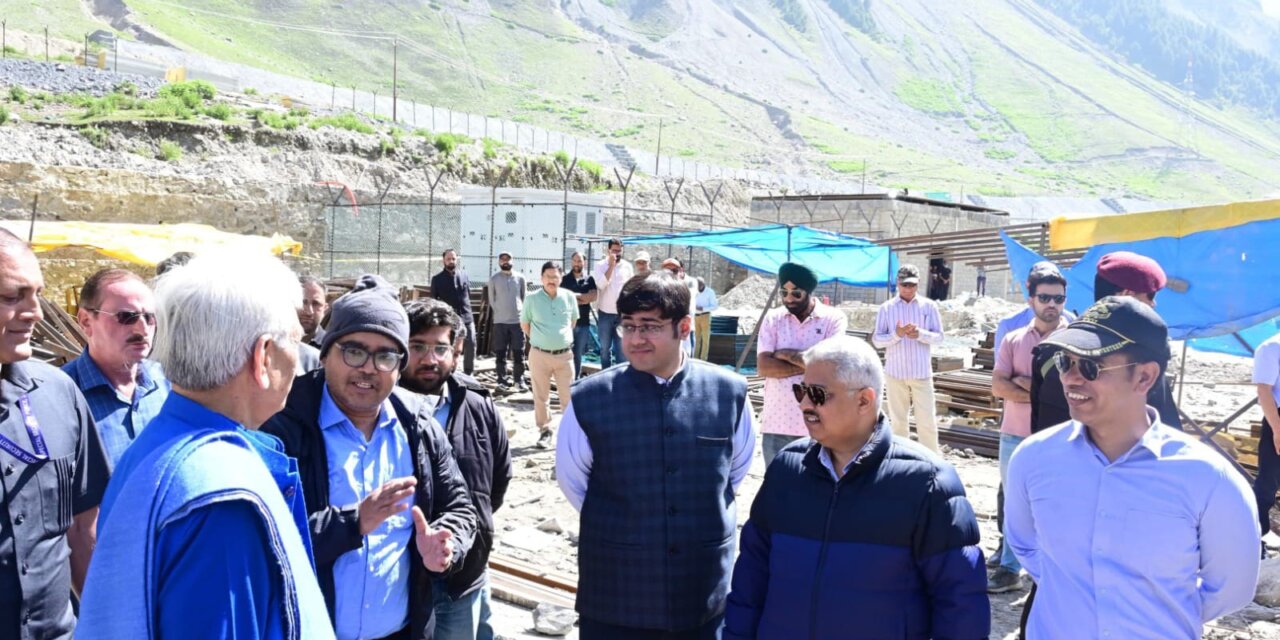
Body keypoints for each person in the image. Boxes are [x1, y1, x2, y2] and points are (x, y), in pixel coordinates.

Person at [77, 252, 332, 639]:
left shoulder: (161, 443)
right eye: (295, 342)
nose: (297, 363)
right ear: (262, 357)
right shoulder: (223, 500)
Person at [1006, 296, 1260, 639]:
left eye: (1091, 367)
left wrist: (1155, 613)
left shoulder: (1209, 479)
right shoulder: (1033, 459)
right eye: (1066, 362)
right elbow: (1025, 545)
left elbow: (1231, 588)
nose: (1071, 379)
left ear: (1144, 377)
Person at [724, 335, 989, 639]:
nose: (805, 404)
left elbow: (960, 605)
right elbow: (750, 582)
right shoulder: (787, 470)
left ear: (865, 399)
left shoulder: (927, 483)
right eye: (801, 391)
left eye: (818, 394)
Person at [263, 275, 478, 640]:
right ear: (326, 352)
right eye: (354, 351)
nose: (368, 368)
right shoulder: (282, 426)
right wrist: (353, 523)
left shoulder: (418, 426)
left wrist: (447, 543)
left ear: (399, 366)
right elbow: (262, 537)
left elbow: (460, 505)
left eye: (385, 356)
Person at [557, 273, 754, 639]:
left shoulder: (729, 393)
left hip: (701, 586)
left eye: (649, 326)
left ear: (684, 326)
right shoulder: (589, 399)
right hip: (617, 590)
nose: (635, 339)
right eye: (627, 326)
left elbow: (733, 473)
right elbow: (574, 482)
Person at [0, 231, 109, 640]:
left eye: (38, 295)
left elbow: (83, 530)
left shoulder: (59, 393)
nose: (36, 313)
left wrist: (105, 623)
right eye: (14, 296)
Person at [401, 299, 512, 640]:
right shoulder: (378, 410)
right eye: (418, 346)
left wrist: (460, 535)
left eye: (440, 348)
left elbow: (496, 483)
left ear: (457, 348)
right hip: (403, 582)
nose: (430, 358)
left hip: (466, 575)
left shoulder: (477, 405)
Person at [1030, 251, 1182, 434]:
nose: (1071, 377)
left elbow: (1039, 428)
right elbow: (1165, 431)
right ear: (1127, 296)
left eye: (1090, 368)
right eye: (1150, 296)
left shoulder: (1052, 350)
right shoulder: (1139, 358)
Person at [986, 263, 1069, 594]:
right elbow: (997, 387)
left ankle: (1053, 569)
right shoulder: (1013, 339)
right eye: (1045, 297)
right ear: (1030, 298)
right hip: (1014, 435)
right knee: (1016, 504)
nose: (1052, 305)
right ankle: (1009, 567)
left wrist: (1023, 384)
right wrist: (1041, 391)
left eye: (1059, 298)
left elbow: (1072, 394)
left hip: (1061, 436)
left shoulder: (1076, 342)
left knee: (1056, 503)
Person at [64, 268, 170, 466]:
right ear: (86, 321)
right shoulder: (61, 396)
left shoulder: (167, 382)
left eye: (149, 317)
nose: (142, 329)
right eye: (126, 316)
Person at [757, 262, 848, 465]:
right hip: (777, 423)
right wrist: (809, 362)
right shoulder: (773, 319)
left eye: (796, 293)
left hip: (820, 422)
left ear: (808, 292)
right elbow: (764, 367)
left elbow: (830, 366)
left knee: (818, 490)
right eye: (784, 293)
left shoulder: (833, 319)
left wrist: (786, 354)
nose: (789, 299)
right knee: (778, 489)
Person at [872, 264, 945, 452]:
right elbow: (877, 340)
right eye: (904, 285)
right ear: (897, 283)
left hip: (921, 373)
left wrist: (920, 334)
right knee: (898, 421)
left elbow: (940, 337)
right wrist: (896, 335)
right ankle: (899, 458)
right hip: (895, 373)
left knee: (927, 421)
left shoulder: (929, 306)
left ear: (918, 283)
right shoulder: (887, 308)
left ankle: (932, 461)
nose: (908, 289)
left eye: (912, 285)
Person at [521, 261, 578, 449]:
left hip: (565, 356)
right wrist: (542, 341)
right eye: (548, 276)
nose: (551, 280)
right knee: (541, 395)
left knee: (569, 396)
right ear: (541, 278)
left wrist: (558, 340)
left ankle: (570, 433)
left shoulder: (569, 297)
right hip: (539, 355)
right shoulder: (531, 299)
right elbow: (525, 325)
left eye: (555, 276)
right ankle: (545, 431)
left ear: (561, 278)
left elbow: (572, 322)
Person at [1252, 331, 1280, 550]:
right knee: (1268, 481)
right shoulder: (1270, 348)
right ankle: (1255, 533)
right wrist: (1277, 429)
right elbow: (1264, 392)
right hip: (1277, 417)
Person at [431, 249, 476, 375]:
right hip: (449, 319)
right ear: (443, 261)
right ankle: (450, 372)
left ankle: (469, 372)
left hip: (467, 317)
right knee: (450, 346)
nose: (451, 261)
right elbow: (434, 301)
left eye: (453, 259)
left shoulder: (464, 276)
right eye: (448, 259)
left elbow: (468, 295)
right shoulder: (437, 279)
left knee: (471, 344)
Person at [591, 238, 632, 370]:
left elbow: (630, 288)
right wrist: (611, 266)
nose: (617, 253)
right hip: (605, 314)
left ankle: (620, 380)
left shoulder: (627, 267)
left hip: (621, 315)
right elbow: (601, 285)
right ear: (608, 250)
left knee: (621, 350)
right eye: (614, 250)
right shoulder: (600, 265)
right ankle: (606, 376)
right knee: (604, 350)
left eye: (619, 251)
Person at [488, 251, 527, 390]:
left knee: (519, 353)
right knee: (500, 353)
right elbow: (492, 300)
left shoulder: (520, 278)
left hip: (517, 322)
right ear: (499, 262)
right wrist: (500, 312)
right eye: (502, 259)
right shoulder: (494, 279)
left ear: (512, 261)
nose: (505, 261)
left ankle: (519, 380)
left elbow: (524, 298)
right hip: (500, 323)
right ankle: (502, 381)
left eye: (508, 259)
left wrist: (519, 313)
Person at [560, 251, 597, 377]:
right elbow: (563, 298)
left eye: (580, 261)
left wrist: (573, 297)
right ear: (571, 262)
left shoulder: (589, 279)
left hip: (583, 324)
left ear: (584, 262)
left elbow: (593, 297)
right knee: (566, 354)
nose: (577, 263)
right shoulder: (564, 279)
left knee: (578, 355)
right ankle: (565, 380)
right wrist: (583, 297)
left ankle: (575, 381)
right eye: (575, 261)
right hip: (568, 324)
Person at [661, 257, 698, 355]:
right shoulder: (660, 285)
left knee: (686, 357)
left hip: (685, 328)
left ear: (681, 271)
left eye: (674, 270)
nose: (671, 273)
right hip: (667, 329)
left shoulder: (690, 283)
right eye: (667, 271)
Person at [299, 276, 329, 349]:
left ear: (325, 308)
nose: (309, 312)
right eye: (303, 302)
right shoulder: (272, 342)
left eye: (316, 304)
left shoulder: (331, 348)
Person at [694, 277, 718, 360]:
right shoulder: (694, 291)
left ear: (703, 284)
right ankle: (695, 358)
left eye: (699, 285)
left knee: (705, 340)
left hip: (705, 315)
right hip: (695, 316)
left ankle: (703, 359)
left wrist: (703, 308)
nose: (698, 288)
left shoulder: (710, 292)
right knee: (696, 339)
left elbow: (714, 306)